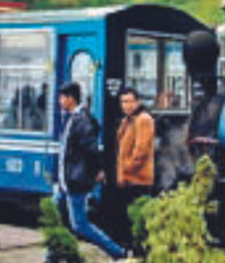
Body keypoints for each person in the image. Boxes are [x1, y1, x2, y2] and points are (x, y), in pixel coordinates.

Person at [52, 82, 127, 261]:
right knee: (56, 217)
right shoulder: (70, 118)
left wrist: (97, 170)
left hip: (75, 181)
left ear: (71, 98)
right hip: (65, 181)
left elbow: (92, 150)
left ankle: (117, 252)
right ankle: (55, 255)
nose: (59, 101)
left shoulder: (82, 121)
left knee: (80, 226)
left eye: (61, 97)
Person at [113, 87, 155, 249]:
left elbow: (141, 152)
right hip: (126, 179)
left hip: (138, 180)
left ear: (137, 102)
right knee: (126, 219)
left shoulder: (143, 119)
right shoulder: (127, 120)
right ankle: (129, 249)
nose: (126, 105)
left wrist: (126, 171)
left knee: (137, 220)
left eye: (130, 101)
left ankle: (137, 251)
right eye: (123, 102)